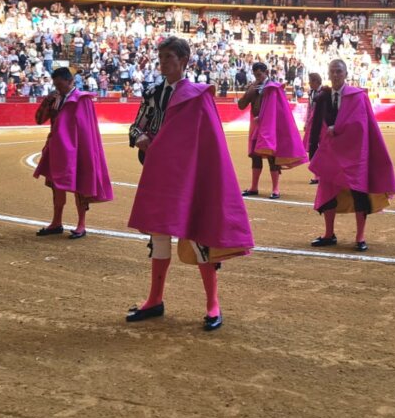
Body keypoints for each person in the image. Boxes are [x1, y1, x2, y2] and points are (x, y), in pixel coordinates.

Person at [126, 37, 254, 331]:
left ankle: (213, 304)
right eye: (160, 58)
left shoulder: (198, 95)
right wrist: (139, 138)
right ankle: (154, 299)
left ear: (184, 61)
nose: (163, 63)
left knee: (199, 235)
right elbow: (137, 126)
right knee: (158, 236)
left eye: (169, 57)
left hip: (191, 175)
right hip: (159, 174)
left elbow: (210, 142)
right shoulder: (153, 93)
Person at [307, 58, 395, 251]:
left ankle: (360, 236)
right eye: (332, 71)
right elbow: (315, 126)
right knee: (328, 193)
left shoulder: (357, 96)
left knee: (359, 194)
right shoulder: (323, 97)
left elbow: (362, 126)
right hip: (330, 154)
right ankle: (329, 234)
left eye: (339, 71)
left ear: (346, 74)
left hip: (355, 153)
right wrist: (313, 152)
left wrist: (338, 128)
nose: (335, 75)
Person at [32, 66, 113, 239]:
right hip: (56, 148)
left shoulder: (82, 100)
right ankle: (56, 222)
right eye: (55, 85)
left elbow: (86, 131)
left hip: (78, 149)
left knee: (80, 186)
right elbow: (39, 120)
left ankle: (81, 225)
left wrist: (84, 152)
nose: (58, 89)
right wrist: (47, 101)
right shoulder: (55, 99)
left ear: (70, 81)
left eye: (60, 85)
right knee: (56, 185)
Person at [238, 62, 306, 199]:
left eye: (260, 75)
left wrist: (263, 118)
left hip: (270, 127)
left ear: (266, 73)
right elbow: (241, 106)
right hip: (256, 127)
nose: (258, 78)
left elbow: (279, 111)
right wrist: (249, 91)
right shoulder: (254, 87)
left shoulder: (273, 88)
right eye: (256, 75)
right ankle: (254, 187)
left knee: (272, 157)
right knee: (255, 156)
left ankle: (276, 189)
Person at [303, 72, 323, 185]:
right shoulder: (311, 93)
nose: (309, 83)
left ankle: (321, 174)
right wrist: (307, 122)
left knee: (322, 149)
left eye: (310, 81)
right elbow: (309, 109)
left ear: (316, 81)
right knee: (313, 148)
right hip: (312, 124)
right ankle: (317, 175)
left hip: (321, 125)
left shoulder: (324, 92)